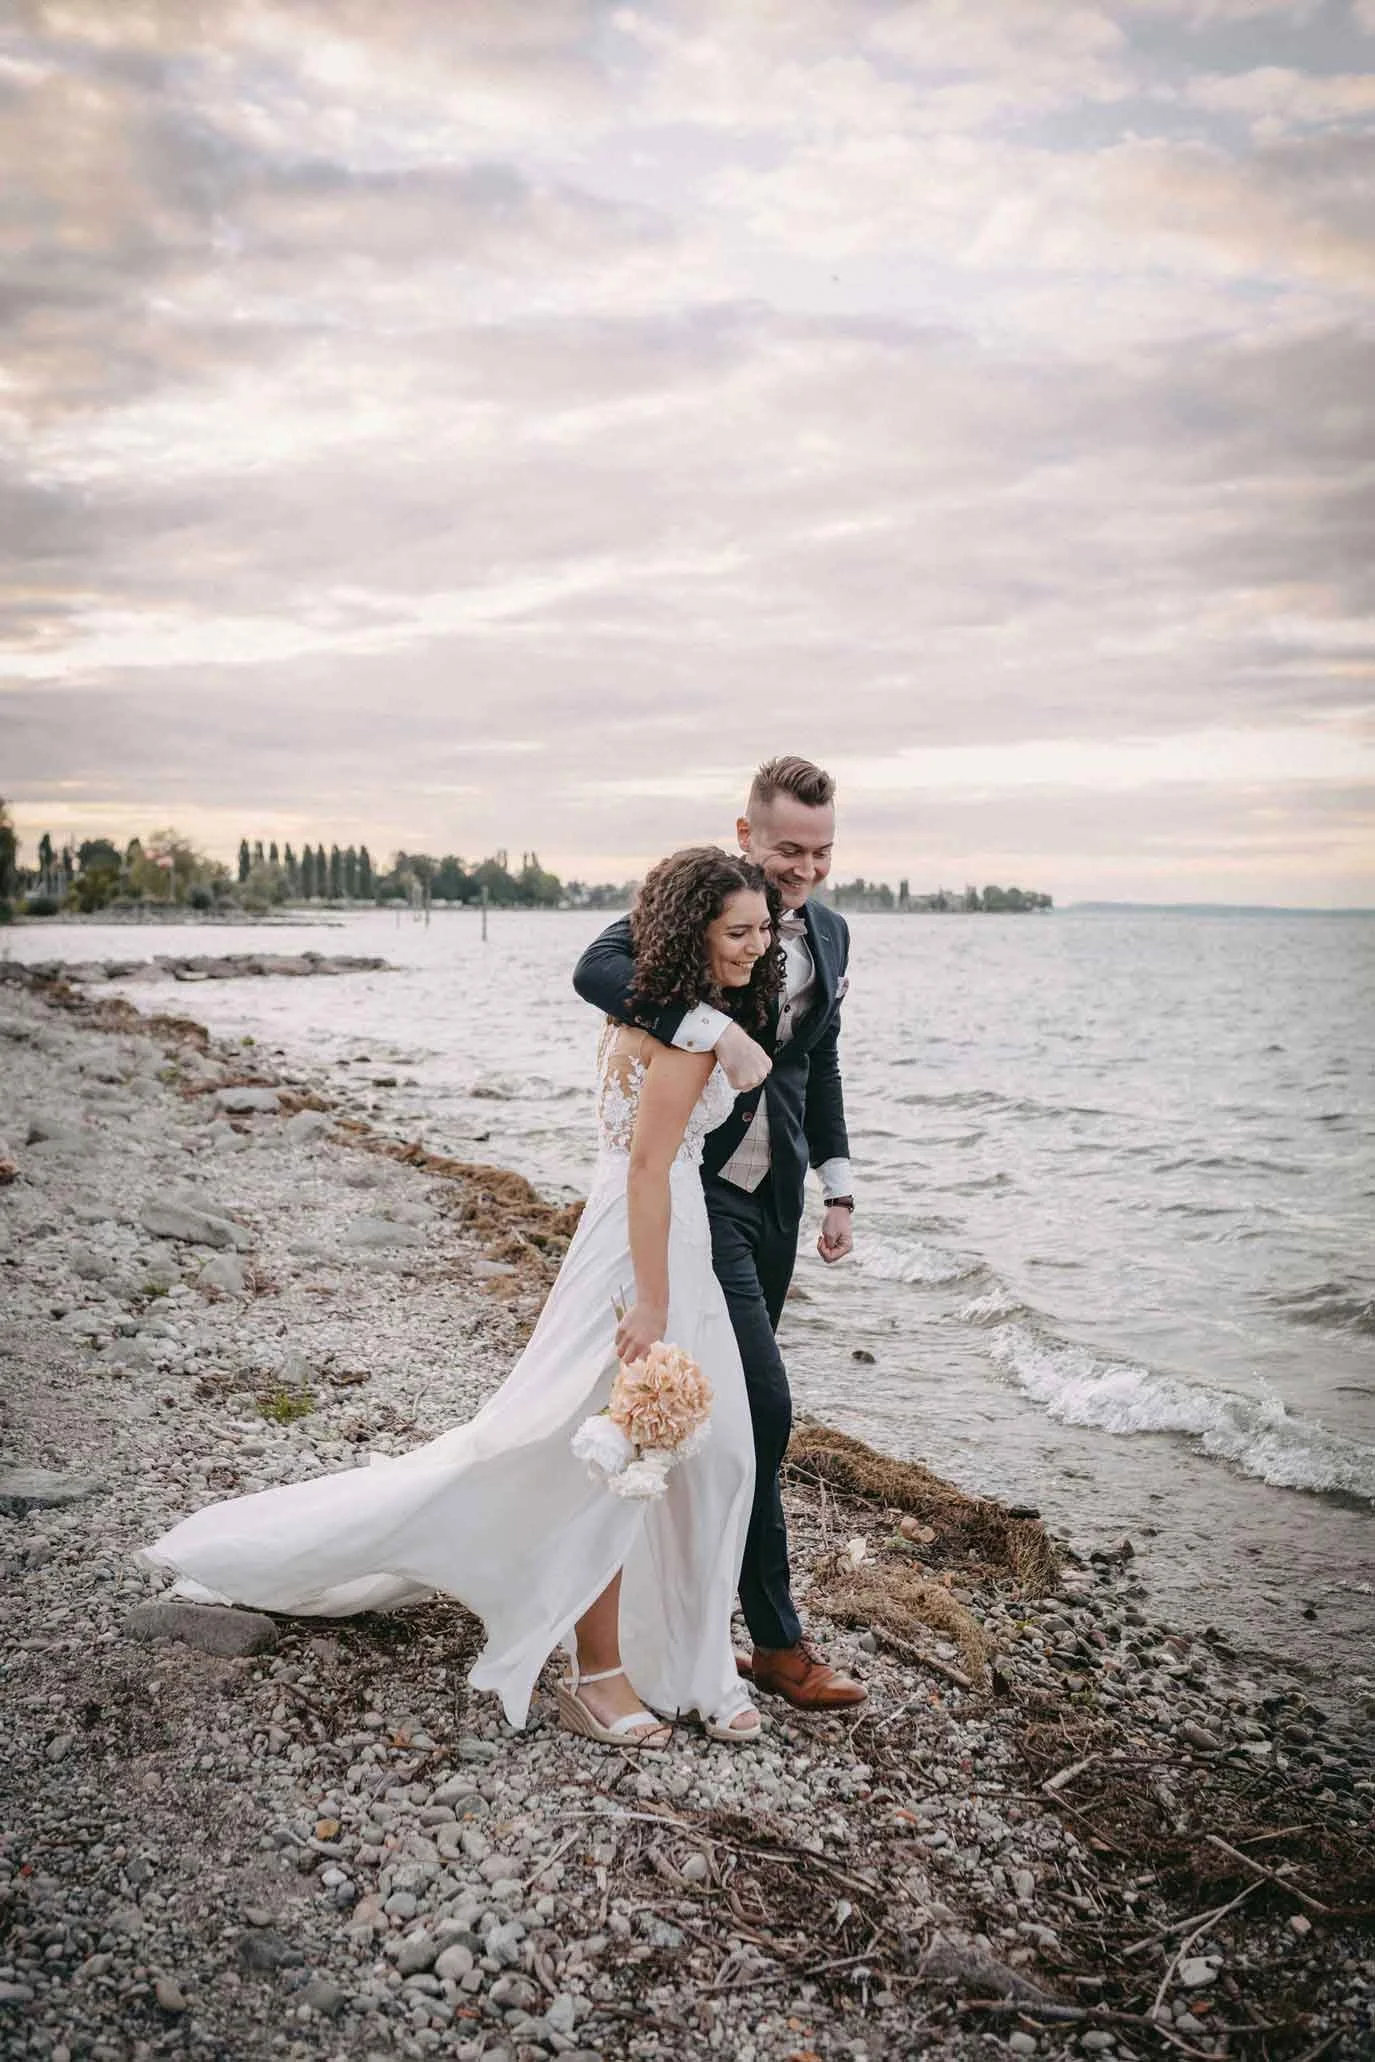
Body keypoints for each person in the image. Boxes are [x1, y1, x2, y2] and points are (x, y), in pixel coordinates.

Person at [140, 848, 781, 1749]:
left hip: (643, 1233)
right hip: (648, 1245)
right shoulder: (684, 1031)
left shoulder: (658, 1007)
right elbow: (647, 1167)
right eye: (738, 930)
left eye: (763, 928)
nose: (757, 944)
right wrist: (652, 1301)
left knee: (687, 1461)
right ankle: (600, 1677)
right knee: (620, 1463)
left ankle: (687, 1664)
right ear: (694, 932)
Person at [574, 756, 865, 1711]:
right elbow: (598, 969)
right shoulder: (700, 901)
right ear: (748, 835)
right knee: (760, 1413)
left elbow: (814, 1066)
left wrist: (838, 1182)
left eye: (822, 852)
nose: (807, 869)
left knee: (724, 1414)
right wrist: (711, 1027)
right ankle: (777, 1643)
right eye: (789, 849)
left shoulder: (831, 932)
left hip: (771, 1198)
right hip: (697, 1196)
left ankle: (686, 1620)